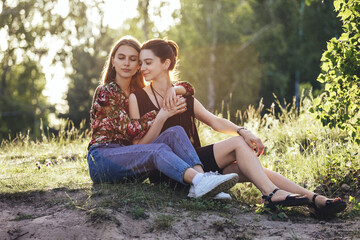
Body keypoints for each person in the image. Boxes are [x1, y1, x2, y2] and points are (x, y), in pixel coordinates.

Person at [128, 38, 347, 217]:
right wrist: (162, 116)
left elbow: (215, 121)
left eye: (148, 62)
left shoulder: (183, 95)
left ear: (165, 64)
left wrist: (243, 130)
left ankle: (314, 200)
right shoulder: (137, 98)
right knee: (236, 146)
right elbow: (139, 146)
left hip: (197, 165)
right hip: (169, 170)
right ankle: (271, 194)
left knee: (249, 168)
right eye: (141, 63)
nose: (142, 68)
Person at [86, 35, 239, 199]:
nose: (126, 63)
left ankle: (203, 184)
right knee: (157, 149)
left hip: (129, 158)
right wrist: (162, 113)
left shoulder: (136, 94)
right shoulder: (106, 92)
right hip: (104, 158)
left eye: (133, 59)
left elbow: (188, 88)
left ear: (138, 66)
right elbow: (129, 129)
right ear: (113, 61)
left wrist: (175, 90)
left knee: (175, 131)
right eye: (121, 58)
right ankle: (199, 180)